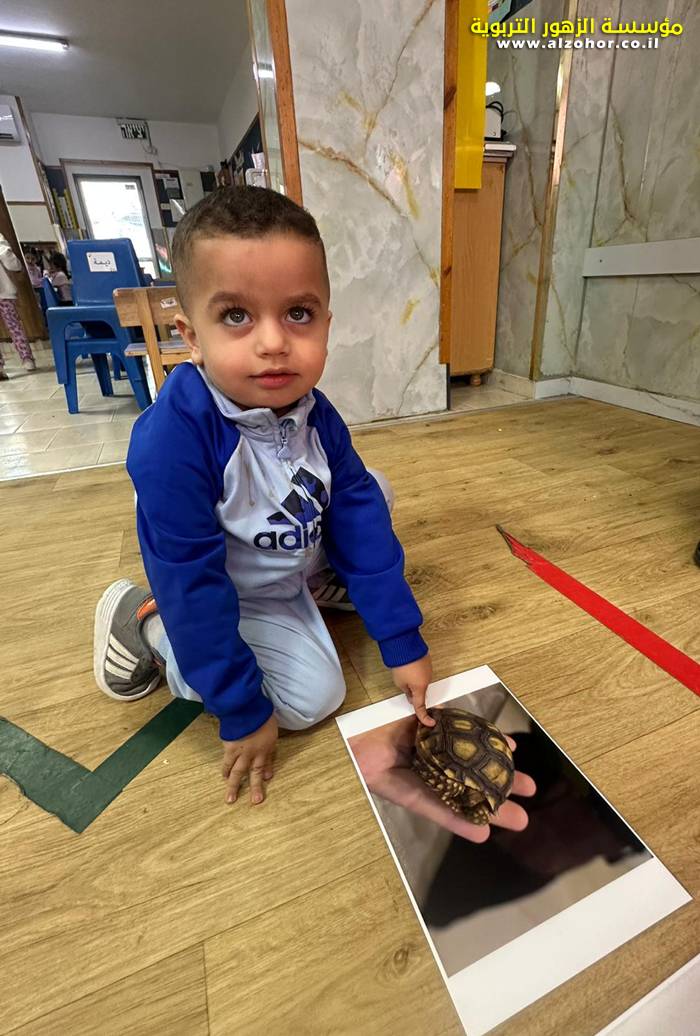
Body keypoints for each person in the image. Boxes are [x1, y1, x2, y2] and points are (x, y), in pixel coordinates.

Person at [93, 186, 437, 807]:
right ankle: (142, 621)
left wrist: (401, 638)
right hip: (227, 586)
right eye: (236, 316)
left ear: (327, 322)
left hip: (283, 551)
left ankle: (313, 580)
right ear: (191, 336)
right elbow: (193, 584)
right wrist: (241, 708)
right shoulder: (173, 441)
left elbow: (357, 516)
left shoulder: (314, 410)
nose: (274, 342)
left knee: (369, 494)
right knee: (313, 699)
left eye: (299, 313)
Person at [0, 233, 36, 378]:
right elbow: (8, 258)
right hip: (3, 291)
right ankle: (27, 359)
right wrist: (18, 266)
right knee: (14, 326)